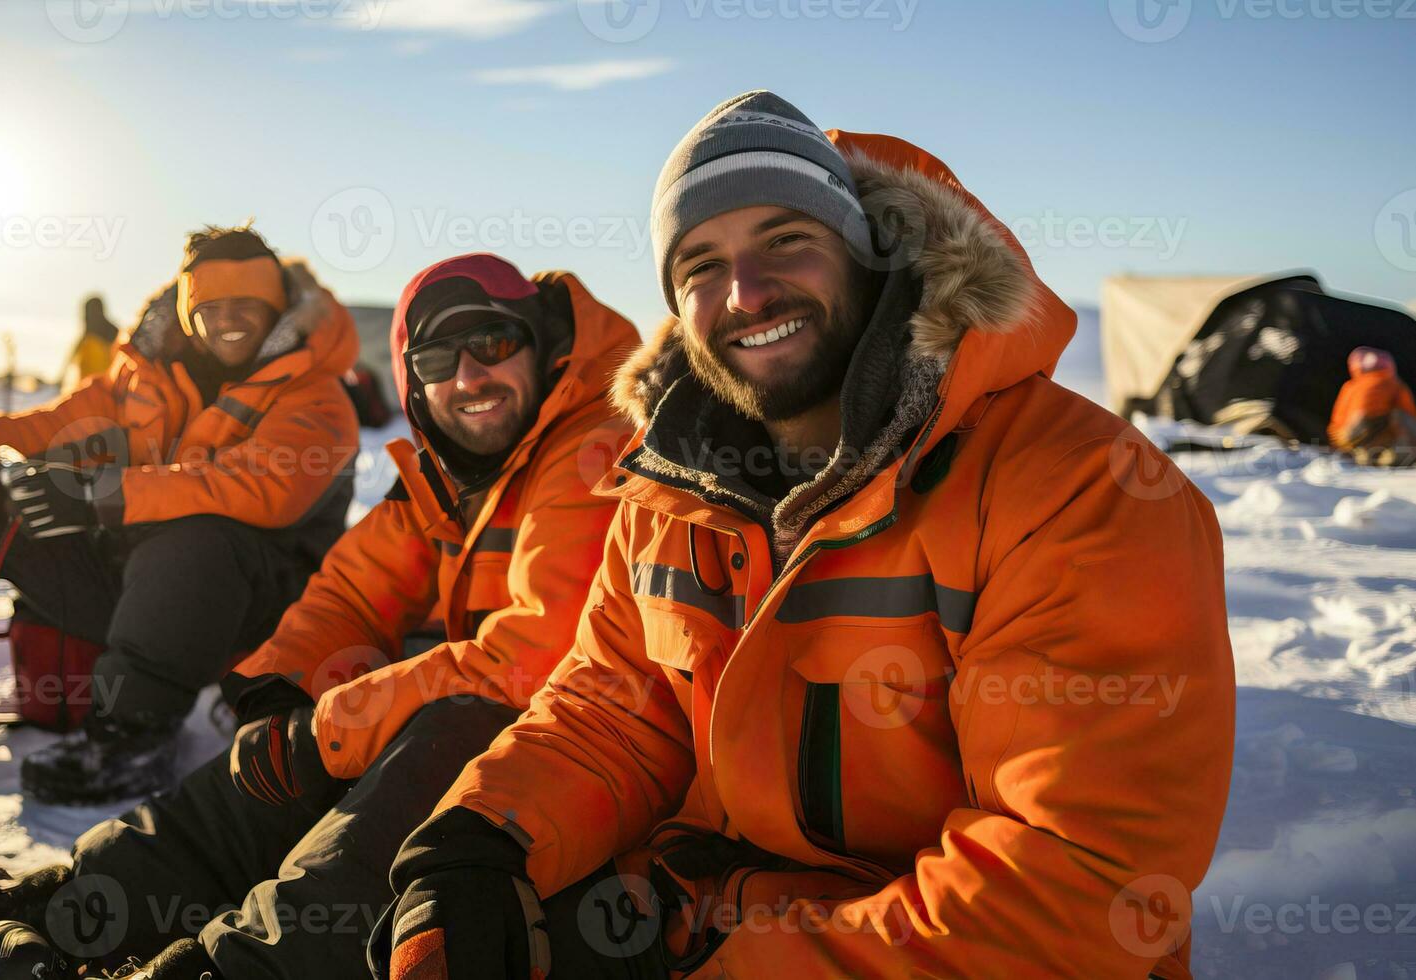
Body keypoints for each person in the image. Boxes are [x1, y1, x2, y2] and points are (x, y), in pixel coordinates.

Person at [377, 92, 1236, 979]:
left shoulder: (1078, 489)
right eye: (701, 265)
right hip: (691, 915)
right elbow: (612, 708)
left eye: (786, 240)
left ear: (866, 255)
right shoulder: (672, 483)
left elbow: (1073, 876)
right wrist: (481, 843)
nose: (744, 294)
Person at [0, 254, 640, 980]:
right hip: (393, 675)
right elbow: (352, 591)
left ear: (541, 344)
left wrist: (328, 727)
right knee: (280, 770)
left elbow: (537, 656)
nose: (467, 375)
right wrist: (282, 691)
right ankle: (74, 910)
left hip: (576, 754)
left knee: (432, 740)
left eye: (491, 344)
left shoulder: (589, 444)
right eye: (436, 357)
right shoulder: (450, 471)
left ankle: (222, 964)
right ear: (413, 383)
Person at [0, 224, 362, 806]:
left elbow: (262, 487)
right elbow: (58, 422)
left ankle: (129, 740)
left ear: (277, 307)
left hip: (255, 609)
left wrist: (104, 496)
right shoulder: (144, 376)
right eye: (213, 307)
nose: (230, 320)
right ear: (189, 314)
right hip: (139, 591)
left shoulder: (318, 393)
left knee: (197, 535)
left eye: (248, 305)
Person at [1328, 345, 1416, 465]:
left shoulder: (1349, 386)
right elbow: (1409, 413)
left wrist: (1337, 444)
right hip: (1371, 430)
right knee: (1399, 415)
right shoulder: (1394, 384)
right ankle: (1401, 454)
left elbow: (1337, 419)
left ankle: (1365, 453)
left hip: (1347, 436)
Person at [61, 294, 120, 392]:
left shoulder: (88, 339)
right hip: (106, 389)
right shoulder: (115, 332)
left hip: (96, 390)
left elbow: (69, 362)